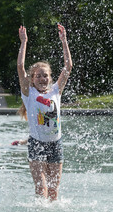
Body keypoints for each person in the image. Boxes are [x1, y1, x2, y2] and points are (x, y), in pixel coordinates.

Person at [17, 24, 72, 201]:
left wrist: (64, 41)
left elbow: (68, 66)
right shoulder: (29, 94)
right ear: (32, 79)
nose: (42, 78)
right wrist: (24, 42)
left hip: (56, 144)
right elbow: (20, 66)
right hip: (37, 144)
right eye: (38, 76)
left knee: (54, 191)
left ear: (50, 77)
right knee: (41, 188)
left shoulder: (56, 91)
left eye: (45, 75)